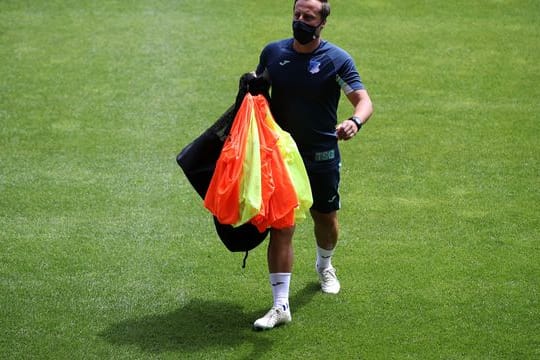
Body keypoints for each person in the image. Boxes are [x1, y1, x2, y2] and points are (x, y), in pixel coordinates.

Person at [252, 0, 373, 330]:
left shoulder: (336, 60)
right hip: (282, 157)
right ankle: (280, 305)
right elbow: (258, 93)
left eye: (309, 17)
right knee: (282, 225)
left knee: (326, 219)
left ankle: (325, 265)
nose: (301, 21)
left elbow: (363, 100)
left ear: (322, 23)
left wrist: (354, 122)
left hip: (321, 156)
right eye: (297, 15)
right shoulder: (274, 54)